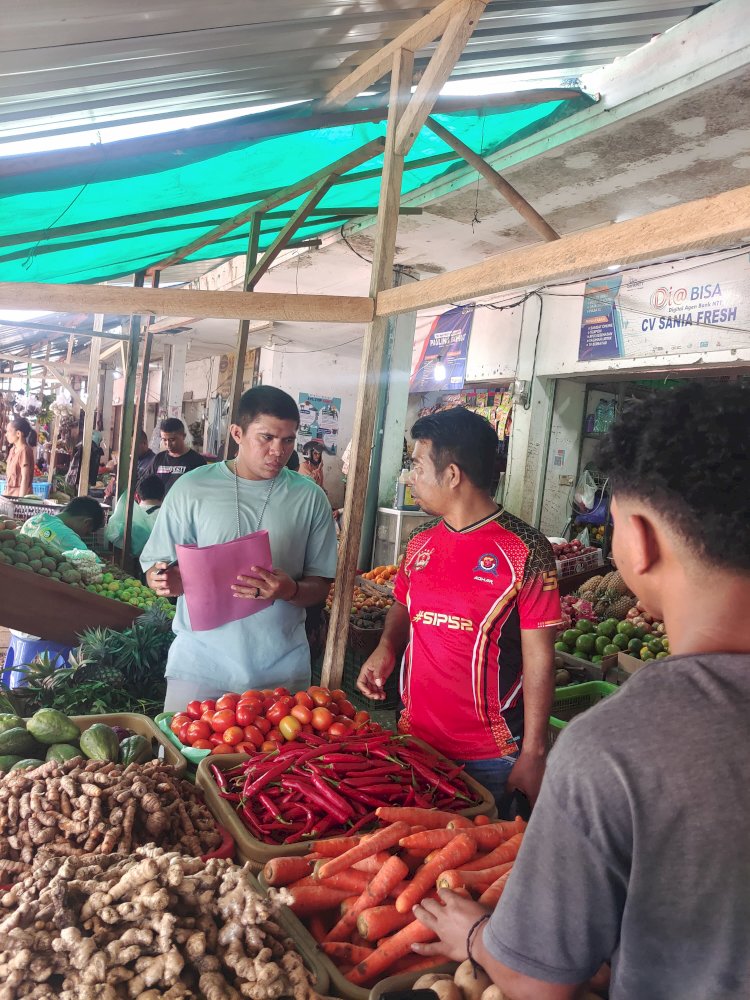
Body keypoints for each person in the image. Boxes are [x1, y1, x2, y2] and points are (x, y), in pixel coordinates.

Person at [411, 382, 750, 1000]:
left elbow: (541, 981)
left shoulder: (619, 750)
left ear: (638, 540)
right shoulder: (423, 546)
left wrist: (477, 935)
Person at [357, 407, 562, 811]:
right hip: (414, 740)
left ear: (452, 475)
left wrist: (534, 753)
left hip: (491, 756)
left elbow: (541, 658)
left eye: (416, 465)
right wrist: (386, 647)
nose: (409, 477)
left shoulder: (526, 549)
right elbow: (403, 604)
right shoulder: (419, 541)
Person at [141, 386, 338, 710]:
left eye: (288, 440)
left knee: (274, 762)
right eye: (267, 438)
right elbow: (155, 565)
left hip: (280, 673)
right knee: (181, 759)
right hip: (199, 667)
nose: (279, 450)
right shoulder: (192, 489)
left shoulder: (310, 498)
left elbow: (320, 586)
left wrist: (289, 590)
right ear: (237, 433)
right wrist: (162, 579)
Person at [21, 495, 104, 557]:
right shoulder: (66, 536)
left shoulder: (34, 520)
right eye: (86, 533)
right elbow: (94, 563)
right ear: (87, 522)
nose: (82, 536)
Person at [104, 474, 164, 558]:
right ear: (163, 496)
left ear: (137, 496)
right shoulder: (170, 517)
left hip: (132, 566)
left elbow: (114, 537)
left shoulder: (128, 516)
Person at [145, 418, 206, 495]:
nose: (168, 444)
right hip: (161, 506)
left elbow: (202, 490)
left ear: (183, 436)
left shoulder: (197, 461)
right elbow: (145, 482)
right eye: (164, 440)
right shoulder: (158, 459)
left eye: (172, 439)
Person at [4, 416, 35, 497]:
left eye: (8, 431)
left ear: (18, 434)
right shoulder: (12, 450)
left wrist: (21, 502)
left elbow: (25, 478)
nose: (6, 435)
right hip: (9, 495)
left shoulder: (24, 451)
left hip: (19, 497)